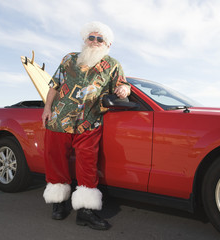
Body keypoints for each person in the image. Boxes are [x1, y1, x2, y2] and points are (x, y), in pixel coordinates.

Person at [41, 21, 130, 230]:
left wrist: (124, 90)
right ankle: (58, 204)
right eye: (91, 37)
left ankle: (85, 212)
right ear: (85, 40)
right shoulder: (69, 59)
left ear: (107, 45)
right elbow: (54, 86)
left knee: (87, 165)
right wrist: (46, 109)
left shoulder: (113, 65)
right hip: (59, 120)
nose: (95, 42)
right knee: (55, 161)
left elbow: (123, 85)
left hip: (89, 122)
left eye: (100, 39)